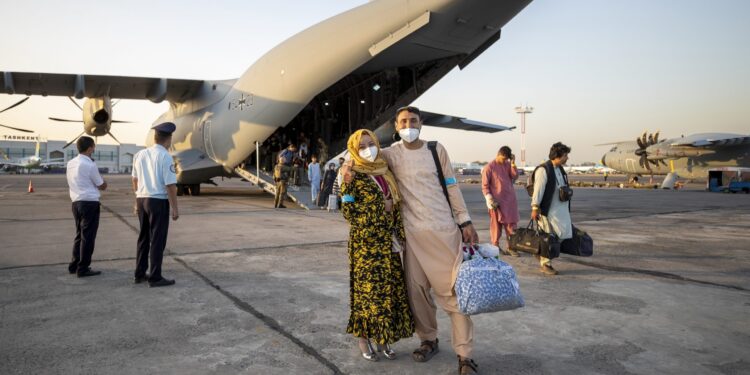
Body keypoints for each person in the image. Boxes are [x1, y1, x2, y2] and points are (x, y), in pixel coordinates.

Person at [345, 106, 480, 375]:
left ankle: (465, 355)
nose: (408, 125)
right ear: (396, 126)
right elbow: (362, 156)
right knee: (417, 295)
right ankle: (428, 340)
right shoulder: (391, 154)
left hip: (443, 232)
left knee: (453, 296)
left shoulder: (435, 149)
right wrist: (346, 173)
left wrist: (464, 220)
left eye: (413, 121)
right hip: (412, 239)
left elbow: (451, 185)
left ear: (421, 124)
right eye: (403, 122)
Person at [340, 129, 414, 362]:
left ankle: (383, 338)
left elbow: (396, 206)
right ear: (354, 149)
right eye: (361, 146)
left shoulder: (384, 171)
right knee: (367, 295)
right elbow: (348, 212)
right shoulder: (351, 174)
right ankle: (363, 339)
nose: (367, 149)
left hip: (388, 244)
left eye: (370, 144)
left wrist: (398, 230)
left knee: (388, 293)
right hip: (366, 246)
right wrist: (382, 209)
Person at [132, 122, 180, 287]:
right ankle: (155, 276)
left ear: (155, 137)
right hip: (157, 201)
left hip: (142, 199)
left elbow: (135, 180)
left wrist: (136, 201)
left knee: (143, 238)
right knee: (157, 240)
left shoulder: (140, 154)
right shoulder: (165, 156)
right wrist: (175, 208)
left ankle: (139, 273)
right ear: (169, 139)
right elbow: (170, 185)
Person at [66, 136, 107, 277]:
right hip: (89, 203)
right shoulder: (90, 164)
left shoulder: (70, 163)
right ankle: (83, 268)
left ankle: (74, 264)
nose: (94, 149)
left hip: (76, 202)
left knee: (79, 235)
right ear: (89, 148)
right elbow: (101, 184)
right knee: (88, 237)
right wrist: (104, 183)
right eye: (93, 147)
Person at [530, 142, 573, 276]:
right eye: (565, 155)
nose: (567, 158)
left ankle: (539, 252)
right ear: (558, 155)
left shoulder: (559, 169)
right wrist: (535, 207)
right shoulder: (544, 170)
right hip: (549, 210)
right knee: (549, 238)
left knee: (563, 234)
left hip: (560, 210)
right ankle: (545, 264)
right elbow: (538, 190)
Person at [481, 146, 520, 256]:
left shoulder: (507, 164)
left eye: (506, 159)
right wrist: (489, 199)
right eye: (503, 158)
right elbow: (484, 186)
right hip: (496, 203)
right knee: (496, 226)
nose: (504, 161)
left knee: (511, 226)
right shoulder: (489, 167)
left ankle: (511, 247)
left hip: (510, 201)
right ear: (498, 155)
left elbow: (515, 176)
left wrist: (512, 163)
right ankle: (495, 246)